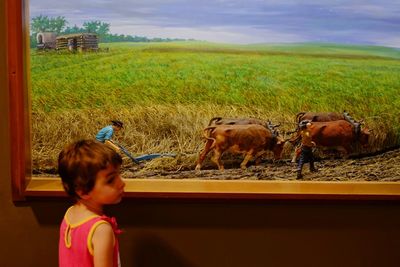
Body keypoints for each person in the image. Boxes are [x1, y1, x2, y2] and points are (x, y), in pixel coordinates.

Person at [58, 139, 125, 267]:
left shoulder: (70, 213)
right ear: (83, 191)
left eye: (119, 174)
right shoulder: (101, 230)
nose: (121, 183)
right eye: (110, 180)